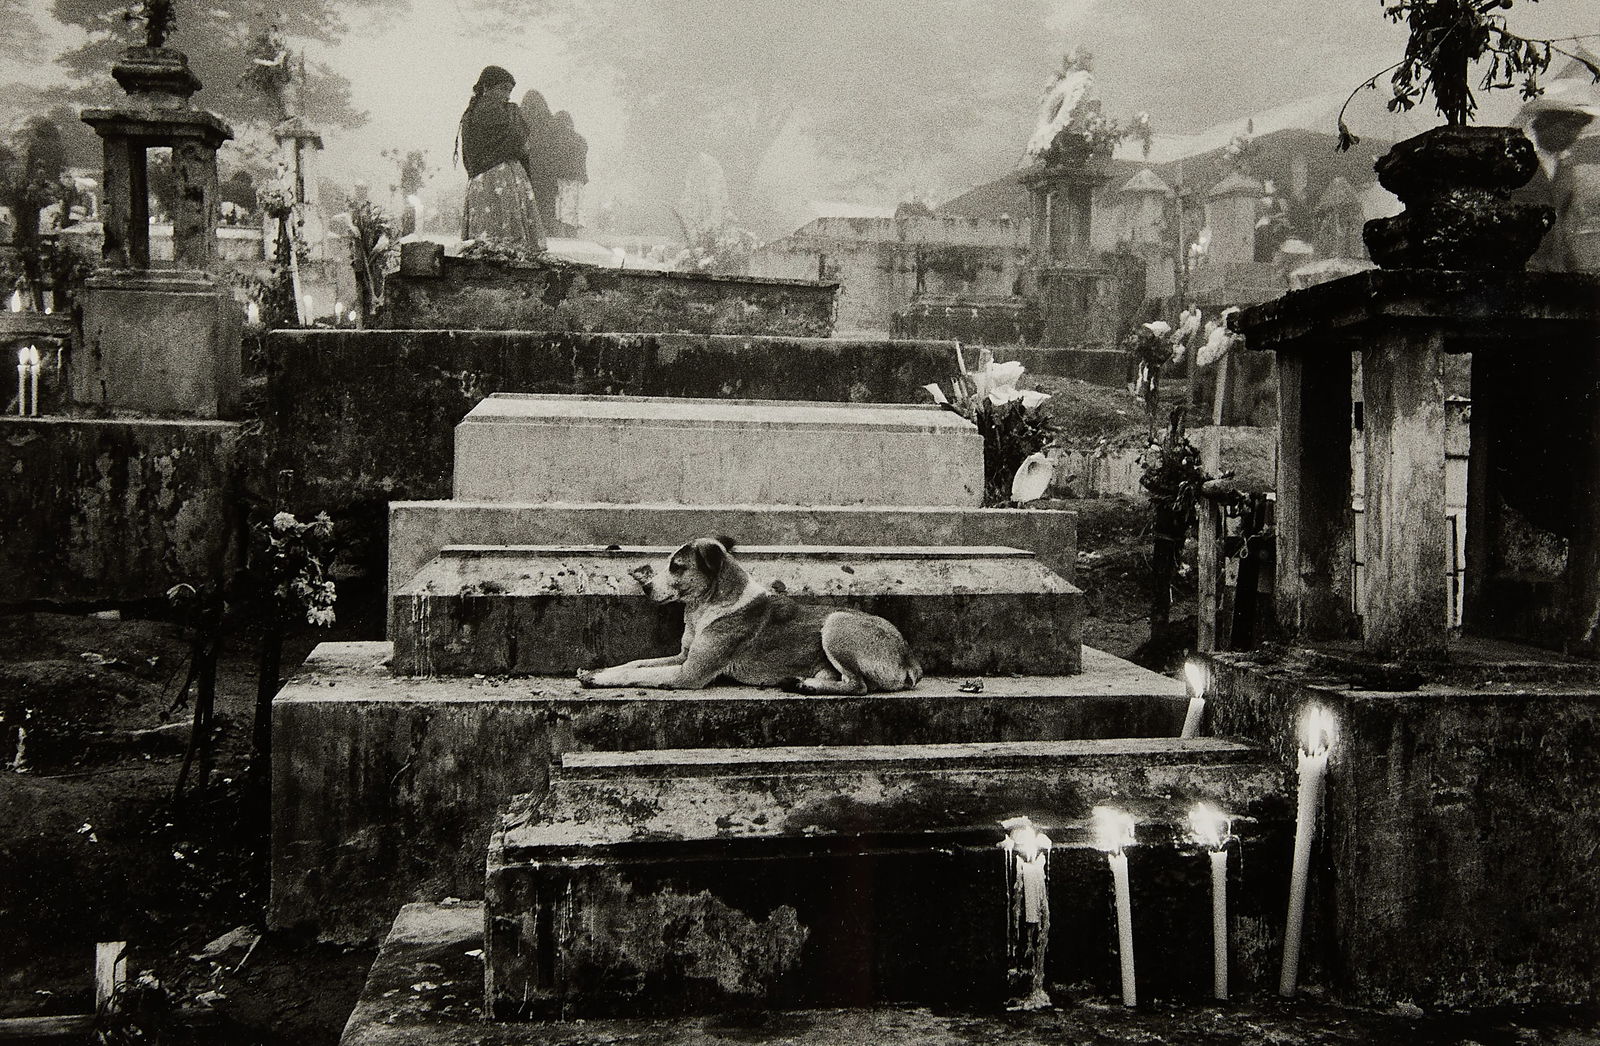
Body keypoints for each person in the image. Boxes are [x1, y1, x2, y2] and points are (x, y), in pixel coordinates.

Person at [457, 65, 546, 253]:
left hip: (485, 180)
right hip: (501, 180)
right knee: (506, 235)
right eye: (503, 89)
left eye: (510, 91)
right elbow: (517, 138)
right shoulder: (497, 111)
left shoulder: (472, 112)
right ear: (486, 87)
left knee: (487, 238)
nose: (507, 95)